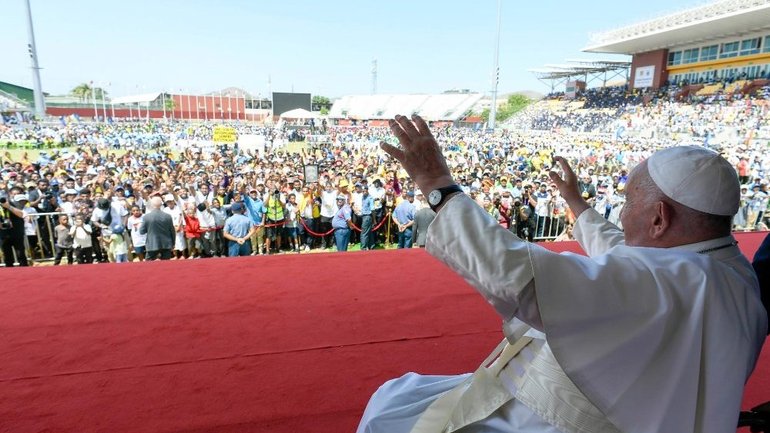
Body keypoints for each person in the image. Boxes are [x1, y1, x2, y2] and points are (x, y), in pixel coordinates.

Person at [356, 115, 767, 433]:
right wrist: (575, 203)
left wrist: (437, 184)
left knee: (390, 410)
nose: (621, 214)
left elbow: (518, 277)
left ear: (659, 218)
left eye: (627, 202)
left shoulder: (667, 280)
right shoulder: (728, 270)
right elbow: (622, 254)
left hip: (561, 419)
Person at [139, 196, 176, 261]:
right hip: (166, 244)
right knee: (166, 265)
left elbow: (142, 231)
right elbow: (172, 231)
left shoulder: (147, 217)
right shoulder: (168, 216)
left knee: (148, 265)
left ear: (152, 204)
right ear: (161, 204)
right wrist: (173, 243)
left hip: (152, 244)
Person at [0, 192, 29, 267]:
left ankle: (25, 271)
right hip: (4, 235)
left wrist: (9, 206)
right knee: (7, 257)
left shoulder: (15, 204)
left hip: (17, 233)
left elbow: (21, 214)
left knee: (21, 255)